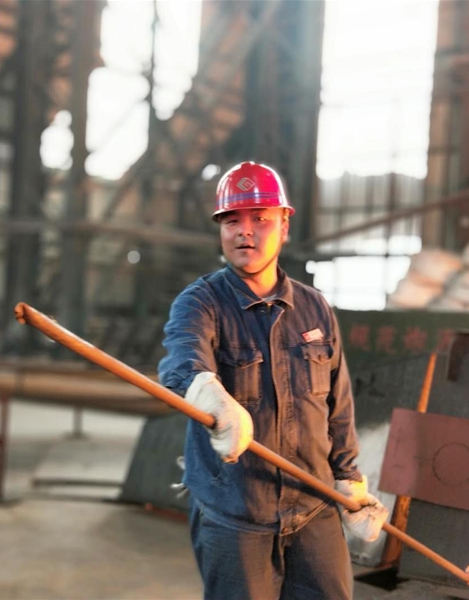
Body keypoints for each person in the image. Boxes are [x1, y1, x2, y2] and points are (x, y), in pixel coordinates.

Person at [158, 161, 388, 600]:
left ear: (284, 225)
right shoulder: (200, 303)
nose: (244, 231)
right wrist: (209, 394)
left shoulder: (314, 308)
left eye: (260, 218)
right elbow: (181, 361)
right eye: (232, 220)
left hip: (314, 504)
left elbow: (337, 406)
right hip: (237, 515)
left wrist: (349, 479)